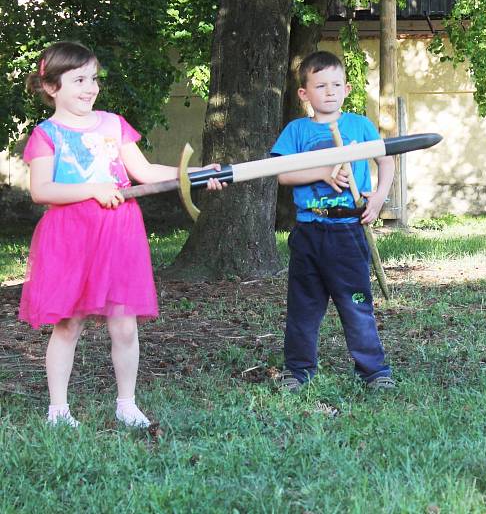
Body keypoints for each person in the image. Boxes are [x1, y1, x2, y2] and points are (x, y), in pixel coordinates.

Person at [20, 41, 225, 427]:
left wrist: (199, 175)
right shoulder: (46, 134)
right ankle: (58, 410)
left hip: (118, 234)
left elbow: (144, 172)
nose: (90, 87)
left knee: (124, 322)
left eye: (93, 79)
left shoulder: (113, 125)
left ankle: (126, 403)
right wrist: (93, 189)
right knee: (69, 322)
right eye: (78, 79)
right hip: (71, 237)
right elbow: (41, 190)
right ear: (51, 87)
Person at [271, 50, 395, 391]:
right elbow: (282, 174)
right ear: (304, 93)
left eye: (336, 84)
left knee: (356, 303)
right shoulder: (296, 130)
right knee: (304, 306)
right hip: (310, 227)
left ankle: (374, 371)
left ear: (347, 88)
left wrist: (380, 196)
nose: (329, 91)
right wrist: (325, 173)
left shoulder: (359, 126)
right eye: (321, 85)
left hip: (348, 230)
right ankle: (297, 371)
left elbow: (386, 162)